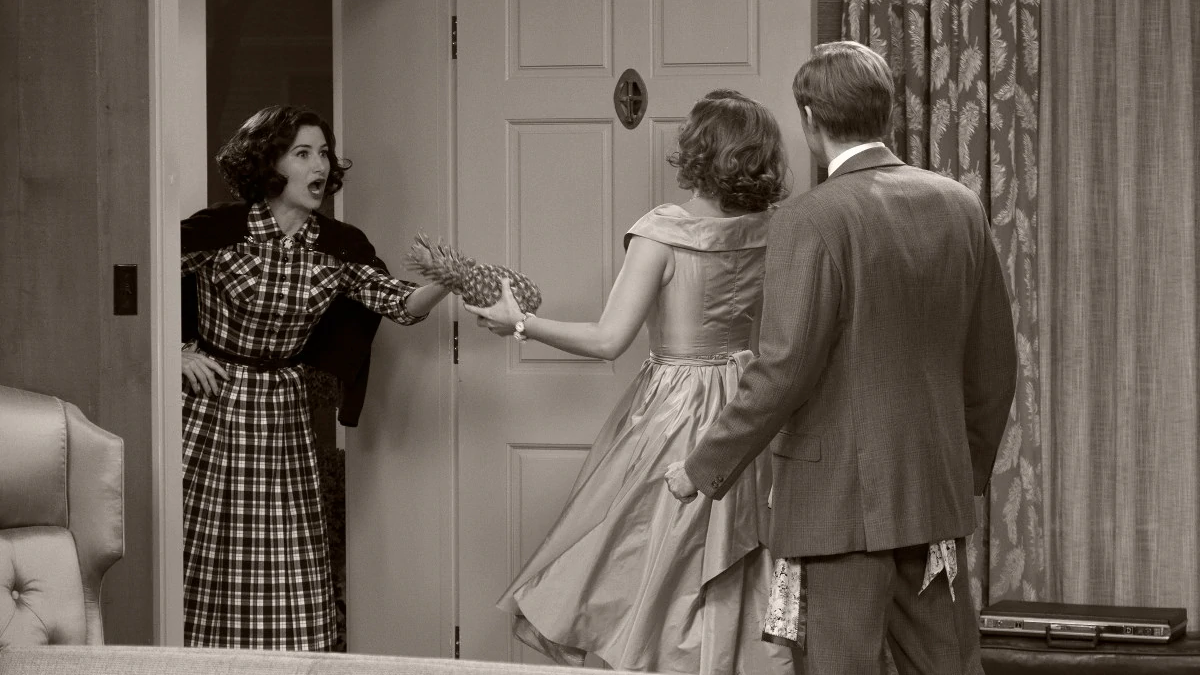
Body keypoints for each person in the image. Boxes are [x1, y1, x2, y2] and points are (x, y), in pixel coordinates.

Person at [664, 42, 1017, 675]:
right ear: (886, 111)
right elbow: (993, 367)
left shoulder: (810, 218)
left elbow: (783, 370)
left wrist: (702, 467)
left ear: (809, 119)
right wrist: (959, 475)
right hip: (934, 497)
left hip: (837, 509)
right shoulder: (960, 205)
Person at [461, 90, 793, 675]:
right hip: (748, 405)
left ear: (697, 149)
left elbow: (607, 340)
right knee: (736, 565)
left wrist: (522, 324)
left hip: (678, 410)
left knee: (650, 560)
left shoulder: (662, 233)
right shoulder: (774, 232)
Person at [178, 104, 450, 650]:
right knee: (204, 554)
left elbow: (398, 303)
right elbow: (134, 285)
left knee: (287, 561)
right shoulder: (218, 231)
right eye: (302, 153)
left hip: (281, 411)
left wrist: (448, 281)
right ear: (269, 163)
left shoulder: (338, 246)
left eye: (323, 153)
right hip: (211, 410)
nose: (319, 165)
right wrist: (173, 354)